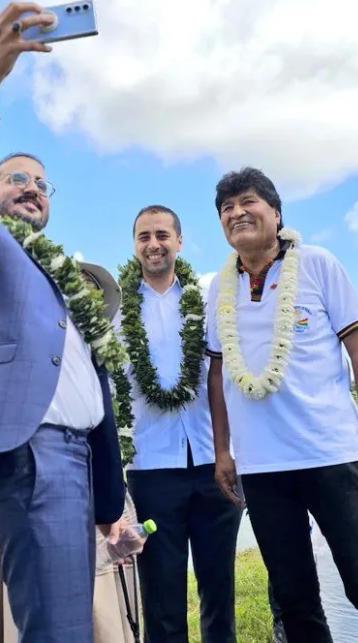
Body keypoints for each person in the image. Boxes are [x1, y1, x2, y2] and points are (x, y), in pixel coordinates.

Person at [0, 2, 127, 643]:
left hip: (78, 457)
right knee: (59, 628)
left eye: (42, 183)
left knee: (63, 621)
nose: (32, 188)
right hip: (28, 450)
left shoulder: (62, 280)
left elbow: (90, 385)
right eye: (16, 178)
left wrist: (111, 500)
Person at [204, 167, 358, 643]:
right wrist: (223, 451)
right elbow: (218, 376)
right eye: (226, 208)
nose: (237, 212)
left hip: (332, 457)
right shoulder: (221, 288)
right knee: (295, 599)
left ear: (276, 213)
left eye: (248, 202)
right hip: (262, 468)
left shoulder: (317, 263)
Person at [0, 263, 139, 643]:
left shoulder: (98, 366)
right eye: (68, 293)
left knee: (88, 605)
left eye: (89, 298)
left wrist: (113, 507)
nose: (77, 303)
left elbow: (107, 435)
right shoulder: (11, 344)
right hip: (5, 489)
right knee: (10, 603)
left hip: (89, 490)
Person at [114, 205, 241, 643]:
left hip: (215, 464)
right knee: (162, 595)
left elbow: (228, 375)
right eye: (144, 236)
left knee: (219, 587)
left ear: (180, 241)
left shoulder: (209, 302)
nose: (154, 244)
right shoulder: (114, 312)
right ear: (134, 245)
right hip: (151, 468)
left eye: (162, 235)